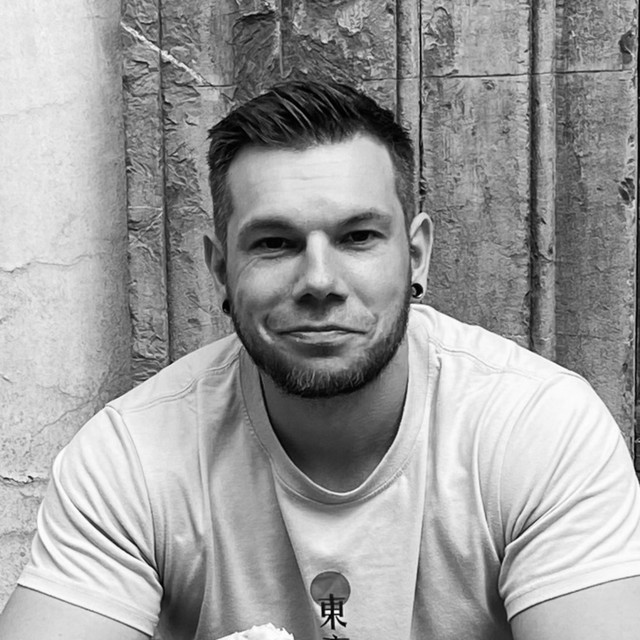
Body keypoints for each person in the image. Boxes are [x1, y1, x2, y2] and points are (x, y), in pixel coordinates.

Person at [1, 80, 640, 640]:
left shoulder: (539, 428)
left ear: (415, 254)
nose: (319, 281)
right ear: (220, 268)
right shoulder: (132, 456)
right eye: (274, 243)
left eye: (358, 237)